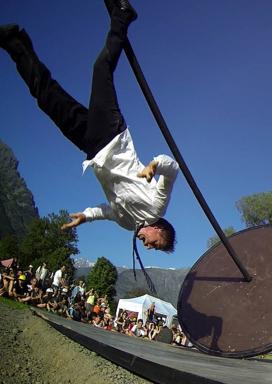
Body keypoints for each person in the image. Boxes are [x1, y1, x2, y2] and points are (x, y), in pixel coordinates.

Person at [0, 0, 178, 255]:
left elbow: (107, 211)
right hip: (111, 135)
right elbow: (173, 170)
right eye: (156, 244)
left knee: (46, 98)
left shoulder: (128, 224)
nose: (149, 247)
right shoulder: (156, 207)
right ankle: (123, 16)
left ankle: (14, 41)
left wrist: (85, 216)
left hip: (92, 147)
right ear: (159, 230)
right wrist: (155, 165)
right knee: (101, 69)